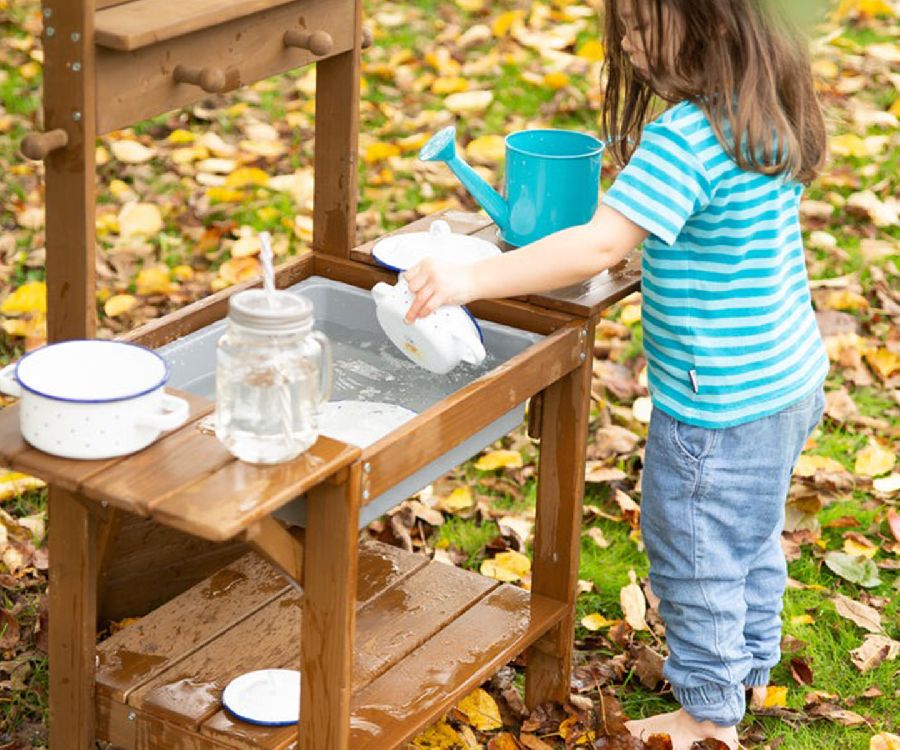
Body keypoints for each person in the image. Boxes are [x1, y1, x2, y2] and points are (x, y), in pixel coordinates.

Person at [402, 0, 828, 747]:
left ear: (709, 23)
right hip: (787, 379)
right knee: (749, 534)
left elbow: (598, 246)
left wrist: (472, 278)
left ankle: (707, 715)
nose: (627, 42)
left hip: (717, 403)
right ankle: (745, 668)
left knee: (695, 548)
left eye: (638, 24)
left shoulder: (683, 139)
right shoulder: (767, 110)